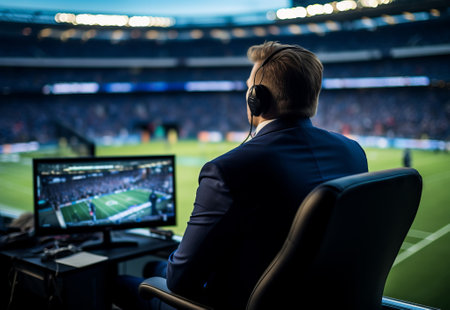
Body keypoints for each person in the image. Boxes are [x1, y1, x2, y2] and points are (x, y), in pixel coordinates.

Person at [113, 41, 368, 310]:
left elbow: (181, 281)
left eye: (249, 87)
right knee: (155, 264)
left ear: (257, 99)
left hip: (242, 301)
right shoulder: (352, 152)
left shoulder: (228, 170)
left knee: (121, 282)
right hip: (317, 300)